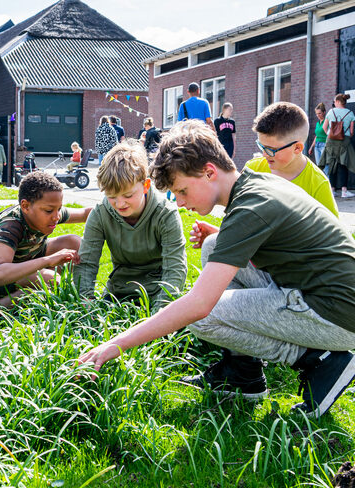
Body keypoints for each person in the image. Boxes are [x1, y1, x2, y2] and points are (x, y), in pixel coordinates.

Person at [79, 121, 355, 419]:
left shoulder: (250, 208)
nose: (181, 203)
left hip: (337, 313)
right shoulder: (257, 185)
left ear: (209, 172)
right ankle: (243, 372)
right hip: (321, 291)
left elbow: (199, 304)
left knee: (203, 317)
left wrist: (115, 344)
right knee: (213, 245)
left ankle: (318, 359)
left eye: (182, 190)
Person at [73, 140, 186, 311]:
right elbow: (87, 263)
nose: (120, 204)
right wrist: (86, 301)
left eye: (128, 195)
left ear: (146, 185)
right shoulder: (100, 214)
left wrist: (160, 313)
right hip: (118, 292)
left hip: (159, 291)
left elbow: (175, 269)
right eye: (112, 196)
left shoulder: (166, 214)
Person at [0, 171, 92, 311]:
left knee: (73, 243)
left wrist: (114, 205)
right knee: (50, 280)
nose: (56, 216)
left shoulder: (49, 213)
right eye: (49, 210)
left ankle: (54, 295)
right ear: (25, 206)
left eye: (59, 209)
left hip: (17, 258)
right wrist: (48, 260)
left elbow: (87, 214)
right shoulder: (10, 226)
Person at [244, 102, 337, 216]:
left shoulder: (318, 183)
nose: (264, 155)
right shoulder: (252, 169)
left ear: (297, 148)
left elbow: (330, 230)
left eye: (271, 149)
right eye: (261, 146)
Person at [319, 93, 355, 198]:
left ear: (338, 102)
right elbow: (352, 132)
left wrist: (331, 135)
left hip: (331, 141)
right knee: (344, 164)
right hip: (344, 141)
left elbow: (324, 128)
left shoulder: (331, 112)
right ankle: (344, 191)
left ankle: (333, 190)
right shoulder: (350, 113)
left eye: (335, 101)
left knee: (331, 164)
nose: (334, 103)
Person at [308, 103, 328, 175]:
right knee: (319, 167)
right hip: (317, 145)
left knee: (325, 166)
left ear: (324, 112)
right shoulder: (317, 123)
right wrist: (311, 147)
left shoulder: (326, 121)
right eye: (317, 114)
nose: (318, 115)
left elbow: (329, 134)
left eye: (319, 113)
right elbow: (316, 136)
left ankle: (329, 184)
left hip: (324, 144)